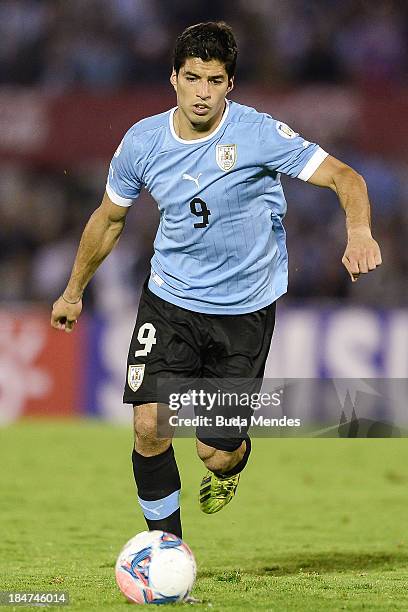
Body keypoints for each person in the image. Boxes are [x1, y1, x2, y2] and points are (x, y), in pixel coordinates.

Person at [51, 22, 382, 539]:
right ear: (173, 79)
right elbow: (109, 218)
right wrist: (74, 292)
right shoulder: (142, 142)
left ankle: (232, 463)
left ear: (230, 84)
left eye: (214, 80)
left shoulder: (258, 134)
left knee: (216, 453)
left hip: (243, 312)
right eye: (192, 78)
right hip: (170, 302)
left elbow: (346, 177)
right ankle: (167, 552)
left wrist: (358, 231)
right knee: (148, 427)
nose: (202, 92)